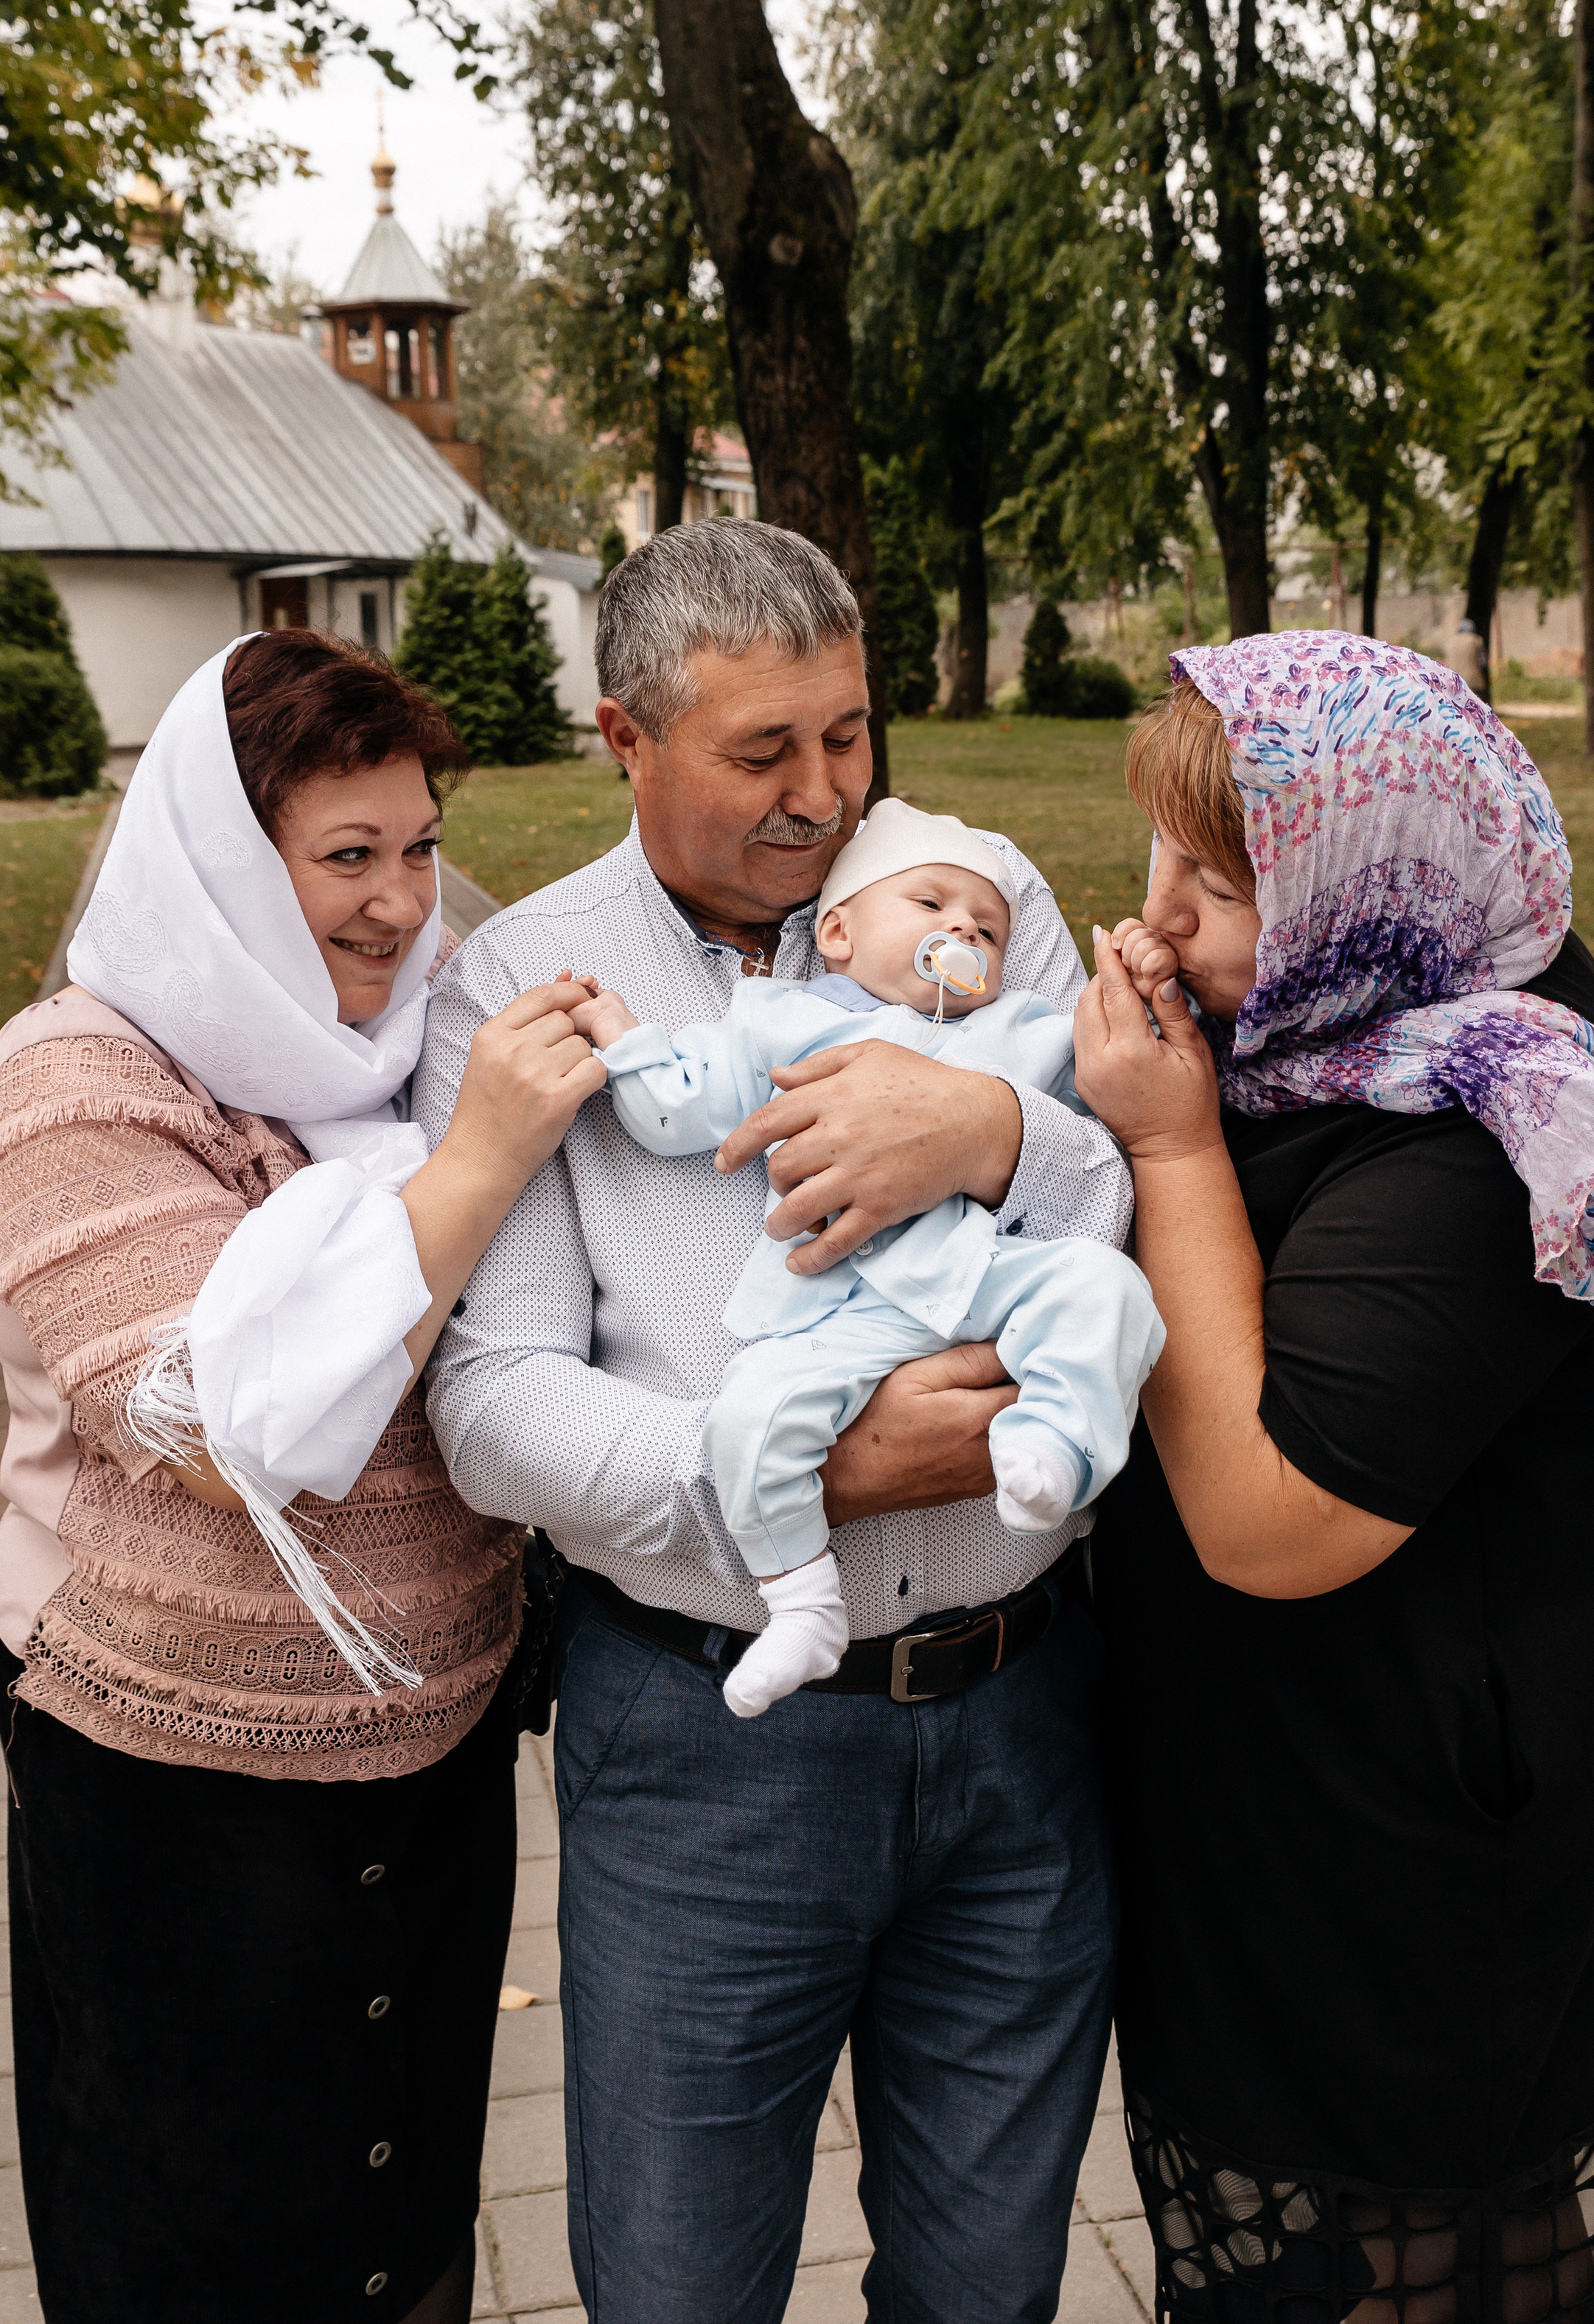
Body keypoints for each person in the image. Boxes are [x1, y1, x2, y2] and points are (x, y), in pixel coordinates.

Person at [417, 519, 1135, 2324]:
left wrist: (986, 1139)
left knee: (988, 2285)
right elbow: (490, 1404)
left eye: (848, 731)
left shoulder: (970, 888)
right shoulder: (518, 982)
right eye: (762, 752)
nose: (824, 796)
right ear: (624, 739)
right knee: (677, 2285)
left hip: (1017, 1717)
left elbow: (1123, 1187)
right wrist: (809, 1475)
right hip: (702, 1748)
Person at [1072, 631, 1594, 2324]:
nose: (1154, 927)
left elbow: (1263, 1514)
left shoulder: (1486, 1132)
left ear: (1365, 897)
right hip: (1325, 1839)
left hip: (1429, 1900)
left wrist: (1158, 1144)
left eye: (1214, 888)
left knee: (1448, 2251)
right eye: (1159, 862)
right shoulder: (1352, 1036)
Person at [0, 630, 605, 2324]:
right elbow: (198, 1434)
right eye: (345, 855)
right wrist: (477, 1157)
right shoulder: (73, 1081)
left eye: (418, 844)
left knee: (403, 2238)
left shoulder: (413, 1037)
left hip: (438, 1747)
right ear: (220, 865)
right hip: (173, 1788)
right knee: (198, 2239)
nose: (401, 903)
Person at [571, 794, 1163, 1715]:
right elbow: (673, 1110)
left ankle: (1053, 1443)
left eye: (986, 926)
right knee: (749, 1421)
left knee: (1105, 1290)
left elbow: (1103, 1127)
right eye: (929, 905)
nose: (961, 928)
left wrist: (1139, 994)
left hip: (979, 1279)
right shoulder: (783, 1024)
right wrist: (626, 1044)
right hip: (838, 1308)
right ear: (839, 934)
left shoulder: (1018, 1029)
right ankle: (801, 1606)